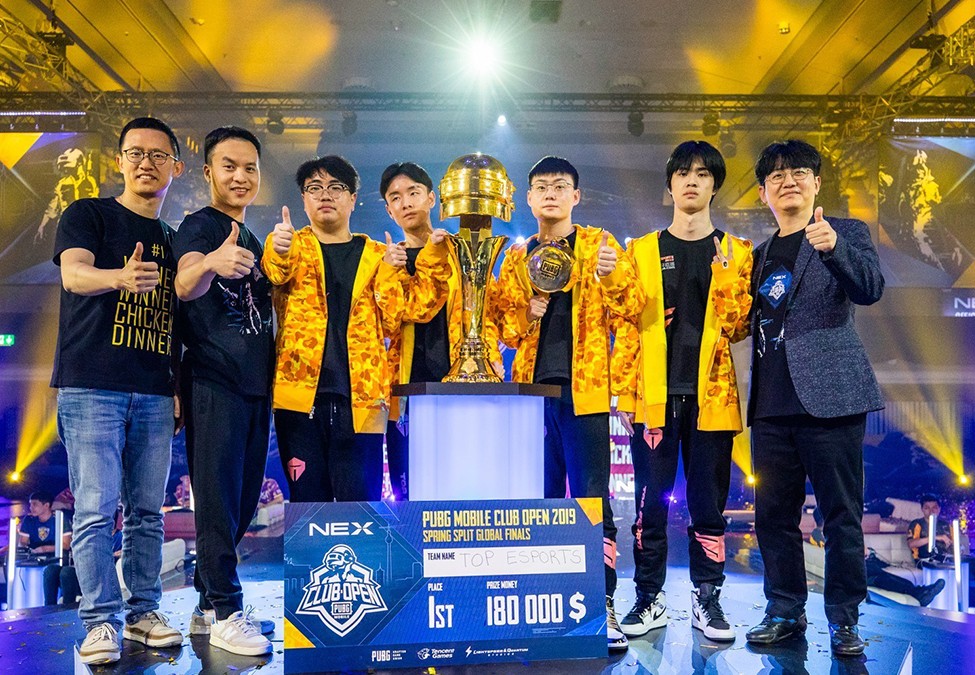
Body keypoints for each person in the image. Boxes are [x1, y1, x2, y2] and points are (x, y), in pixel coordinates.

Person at [496, 156, 644, 651]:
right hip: (530, 398)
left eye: (560, 186)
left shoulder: (601, 245)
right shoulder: (516, 258)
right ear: (529, 198)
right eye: (541, 187)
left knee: (591, 502)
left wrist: (612, 277)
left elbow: (633, 308)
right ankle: (538, 602)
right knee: (536, 502)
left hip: (586, 393)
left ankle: (602, 604)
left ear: (576, 196)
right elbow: (503, 329)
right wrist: (527, 312)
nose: (551, 194)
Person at [744, 140, 884, 658]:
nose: (788, 182)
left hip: (832, 398)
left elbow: (870, 288)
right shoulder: (758, 256)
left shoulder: (845, 232)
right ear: (764, 193)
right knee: (773, 517)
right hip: (771, 404)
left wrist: (834, 248)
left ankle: (844, 620)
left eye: (799, 172)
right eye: (776, 176)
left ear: (817, 183)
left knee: (841, 515)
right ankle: (784, 610)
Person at [52, 116, 185, 665]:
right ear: (120, 161)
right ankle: (100, 620)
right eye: (136, 153)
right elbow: (72, 275)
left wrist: (176, 388)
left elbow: (177, 324)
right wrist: (118, 277)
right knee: (95, 511)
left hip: (154, 391)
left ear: (176, 167)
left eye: (158, 155)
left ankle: (143, 612)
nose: (146, 163)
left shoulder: (174, 240)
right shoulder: (89, 214)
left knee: (148, 512)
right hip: (91, 387)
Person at [614, 141, 752, 641]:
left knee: (708, 505)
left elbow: (739, 327)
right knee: (649, 506)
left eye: (703, 173)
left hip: (712, 399)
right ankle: (648, 597)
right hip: (653, 400)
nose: (692, 180)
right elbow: (625, 322)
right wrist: (624, 392)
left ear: (715, 185)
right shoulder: (640, 250)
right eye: (683, 173)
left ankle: (707, 598)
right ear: (669, 185)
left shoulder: (737, 251)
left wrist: (727, 278)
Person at [261, 155, 443, 502]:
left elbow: (397, 317)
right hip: (299, 400)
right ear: (303, 199)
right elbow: (275, 270)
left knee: (361, 507)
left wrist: (393, 271)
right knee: (307, 508)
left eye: (336, 187)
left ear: (353, 198)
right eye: (314, 188)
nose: (325, 195)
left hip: (363, 401)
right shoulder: (292, 245)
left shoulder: (377, 254)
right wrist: (279, 246)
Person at [173, 126, 275, 656]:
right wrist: (210, 263)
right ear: (208, 172)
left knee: (239, 503)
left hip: (255, 387)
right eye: (229, 166)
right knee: (216, 500)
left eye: (249, 167)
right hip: (213, 380)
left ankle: (207, 606)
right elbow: (184, 282)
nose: (240, 176)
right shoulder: (199, 226)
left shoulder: (251, 237)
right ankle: (227, 610)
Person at [379, 161, 498, 501]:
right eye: (395, 197)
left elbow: (488, 312)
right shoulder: (386, 260)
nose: (406, 203)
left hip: (459, 389)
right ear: (388, 210)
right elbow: (391, 318)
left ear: (432, 199)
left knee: (462, 489)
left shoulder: (462, 252)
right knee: (407, 495)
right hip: (405, 390)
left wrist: (493, 354)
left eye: (413, 193)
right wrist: (388, 271)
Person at [809, 508, 945, 607]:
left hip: (856, 570)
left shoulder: (822, 534)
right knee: (883, 578)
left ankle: (920, 591)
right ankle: (919, 593)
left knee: (885, 577)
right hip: (853, 573)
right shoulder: (823, 535)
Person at [906, 494, 954, 566]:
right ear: (922, 509)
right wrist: (935, 538)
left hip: (945, 560)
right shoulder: (917, 524)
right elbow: (911, 544)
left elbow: (954, 544)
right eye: (927, 508)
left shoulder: (946, 525)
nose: (931, 511)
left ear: (939, 509)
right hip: (924, 560)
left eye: (934, 508)